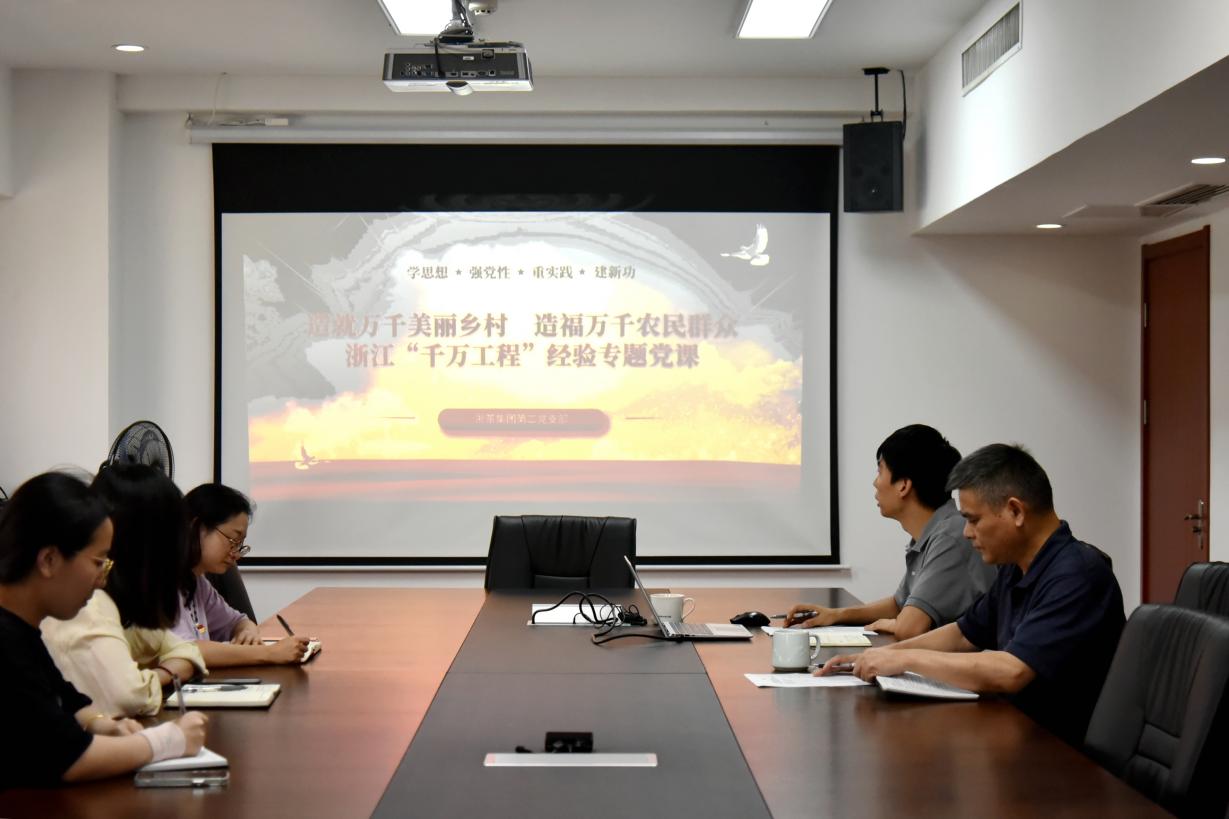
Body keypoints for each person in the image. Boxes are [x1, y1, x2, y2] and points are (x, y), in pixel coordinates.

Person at [818, 443, 1126, 745]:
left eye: (973, 519)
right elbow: (963, 633)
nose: (966, 532)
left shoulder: (1077, 574)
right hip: (1016, 731)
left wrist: (904, 659)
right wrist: (882, 656)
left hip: (1061, 754)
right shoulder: (1016, 568)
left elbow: (1012, 671)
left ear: (1015, 511)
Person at [0, 472, 206, 788]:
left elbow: (68, 703)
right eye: (98, 562)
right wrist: (169, 740)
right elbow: (70, 759)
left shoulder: (23, 630)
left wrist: (99, 724)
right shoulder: (6, 639)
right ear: (49, 560)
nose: (102, 580)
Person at [786, 425, 994, 640]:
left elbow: (909, 627)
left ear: (903, 485)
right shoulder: (933, 532)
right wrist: (836, 615)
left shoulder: (951, 536)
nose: (875, 483)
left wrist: (893, 623)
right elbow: (899, 604)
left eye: (880, 471)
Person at [41, 464, 208, 717]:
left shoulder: (123, 602)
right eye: (98, 560)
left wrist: (149, 677)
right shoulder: (89, 603)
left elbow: (187, 650)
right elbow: (128, 698)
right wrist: (163, 674)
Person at [173, 483, 309, 665]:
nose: (236, 554)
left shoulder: (198, 582)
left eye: (239, 544)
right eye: (232, 540)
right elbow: (184, 650)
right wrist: (268, 653)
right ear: (196, 526)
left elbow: (238, 621)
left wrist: (247, 631)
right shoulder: (159, 581)